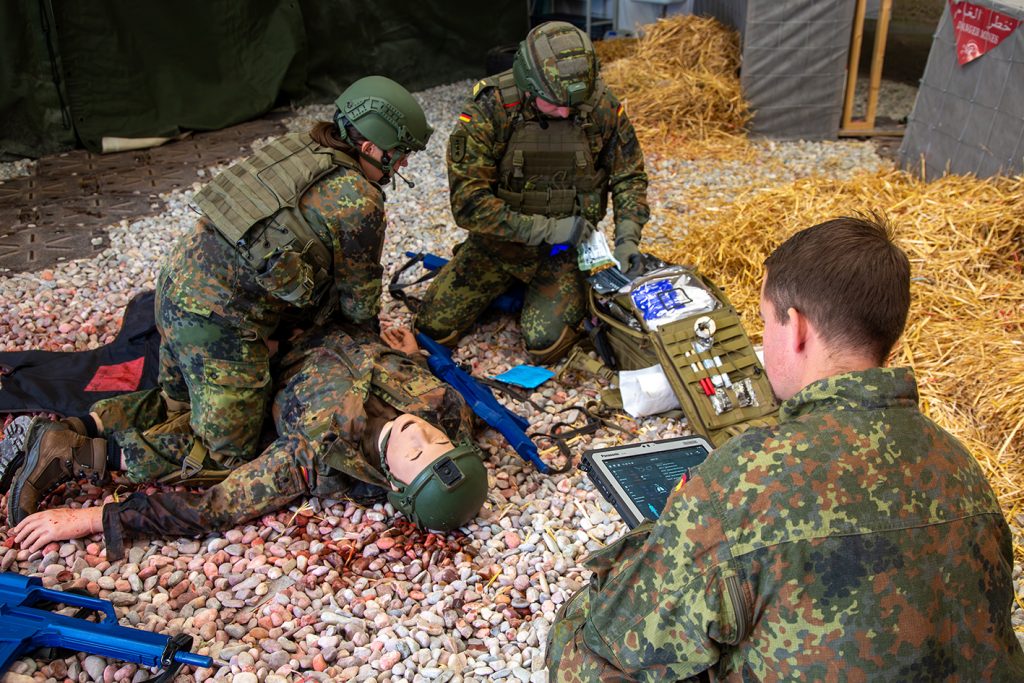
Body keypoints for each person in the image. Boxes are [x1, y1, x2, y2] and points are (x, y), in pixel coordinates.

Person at [546, 215, 1024, 680]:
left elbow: (623, 635)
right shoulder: (960, 463)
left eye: (763, 321)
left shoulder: (747, 476)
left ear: (795, 328)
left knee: (579, 645)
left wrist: (669, 530)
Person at [6, 75, 433, 524]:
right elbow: (358, 301)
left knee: (180, 403)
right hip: (218, 328)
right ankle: (75, 454)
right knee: (222, 453)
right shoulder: (360, 200)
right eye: (400, 153)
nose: (402, 164)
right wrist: (372, 355)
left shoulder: (300, 147)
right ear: (370, 148)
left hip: (175, 289)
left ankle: (74, 426)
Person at [7, 325, 489, 560]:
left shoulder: (316, 457)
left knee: (208, 447)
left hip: (258, 354)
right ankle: (79, 428)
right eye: (442, 441)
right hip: (317, 315)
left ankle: (77, 450)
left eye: (418, 453)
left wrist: (94, 518)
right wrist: (410, 357)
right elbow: (446, 411)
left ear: (395, 486)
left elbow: (215, 508)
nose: (422, 433)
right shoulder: (446, 408)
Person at [414, 21, 649, 364]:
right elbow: (468, 204)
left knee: (545, 345)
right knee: (432, 329)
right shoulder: (491, 108)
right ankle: (512, 284)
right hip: (498, 245)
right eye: (553, 104)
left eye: (572, 104)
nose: (565, 112)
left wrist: (628, 239)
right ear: (527, 82)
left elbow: (629, 175)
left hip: (564, 251)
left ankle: (556, 290)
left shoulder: (597, 105)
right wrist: (550, 228)